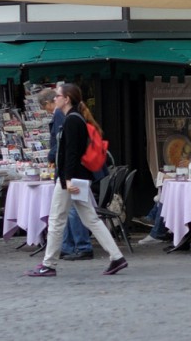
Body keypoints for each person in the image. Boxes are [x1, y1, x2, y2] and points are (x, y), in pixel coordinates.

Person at [29, 83, 127, 277]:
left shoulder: (72, 121)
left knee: (57, 219)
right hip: (76, 178)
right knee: (90, 218)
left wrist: (67, 179)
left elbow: (71, 154)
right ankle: (117, 257)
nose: (54, 98)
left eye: (57, 96)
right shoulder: (75, 118)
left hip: (70, 179)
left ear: (66, 99)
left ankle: (49, 264)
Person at [37, 87, 94, 260]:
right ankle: (67, 246)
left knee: (70, 213)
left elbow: (67, 148)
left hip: (70, 173)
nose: (55, 100)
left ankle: (80, 246)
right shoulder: (68, 115)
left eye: (58, 96)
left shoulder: (64, 116)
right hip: (68, 173)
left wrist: (65, 176)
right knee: (70, 212)